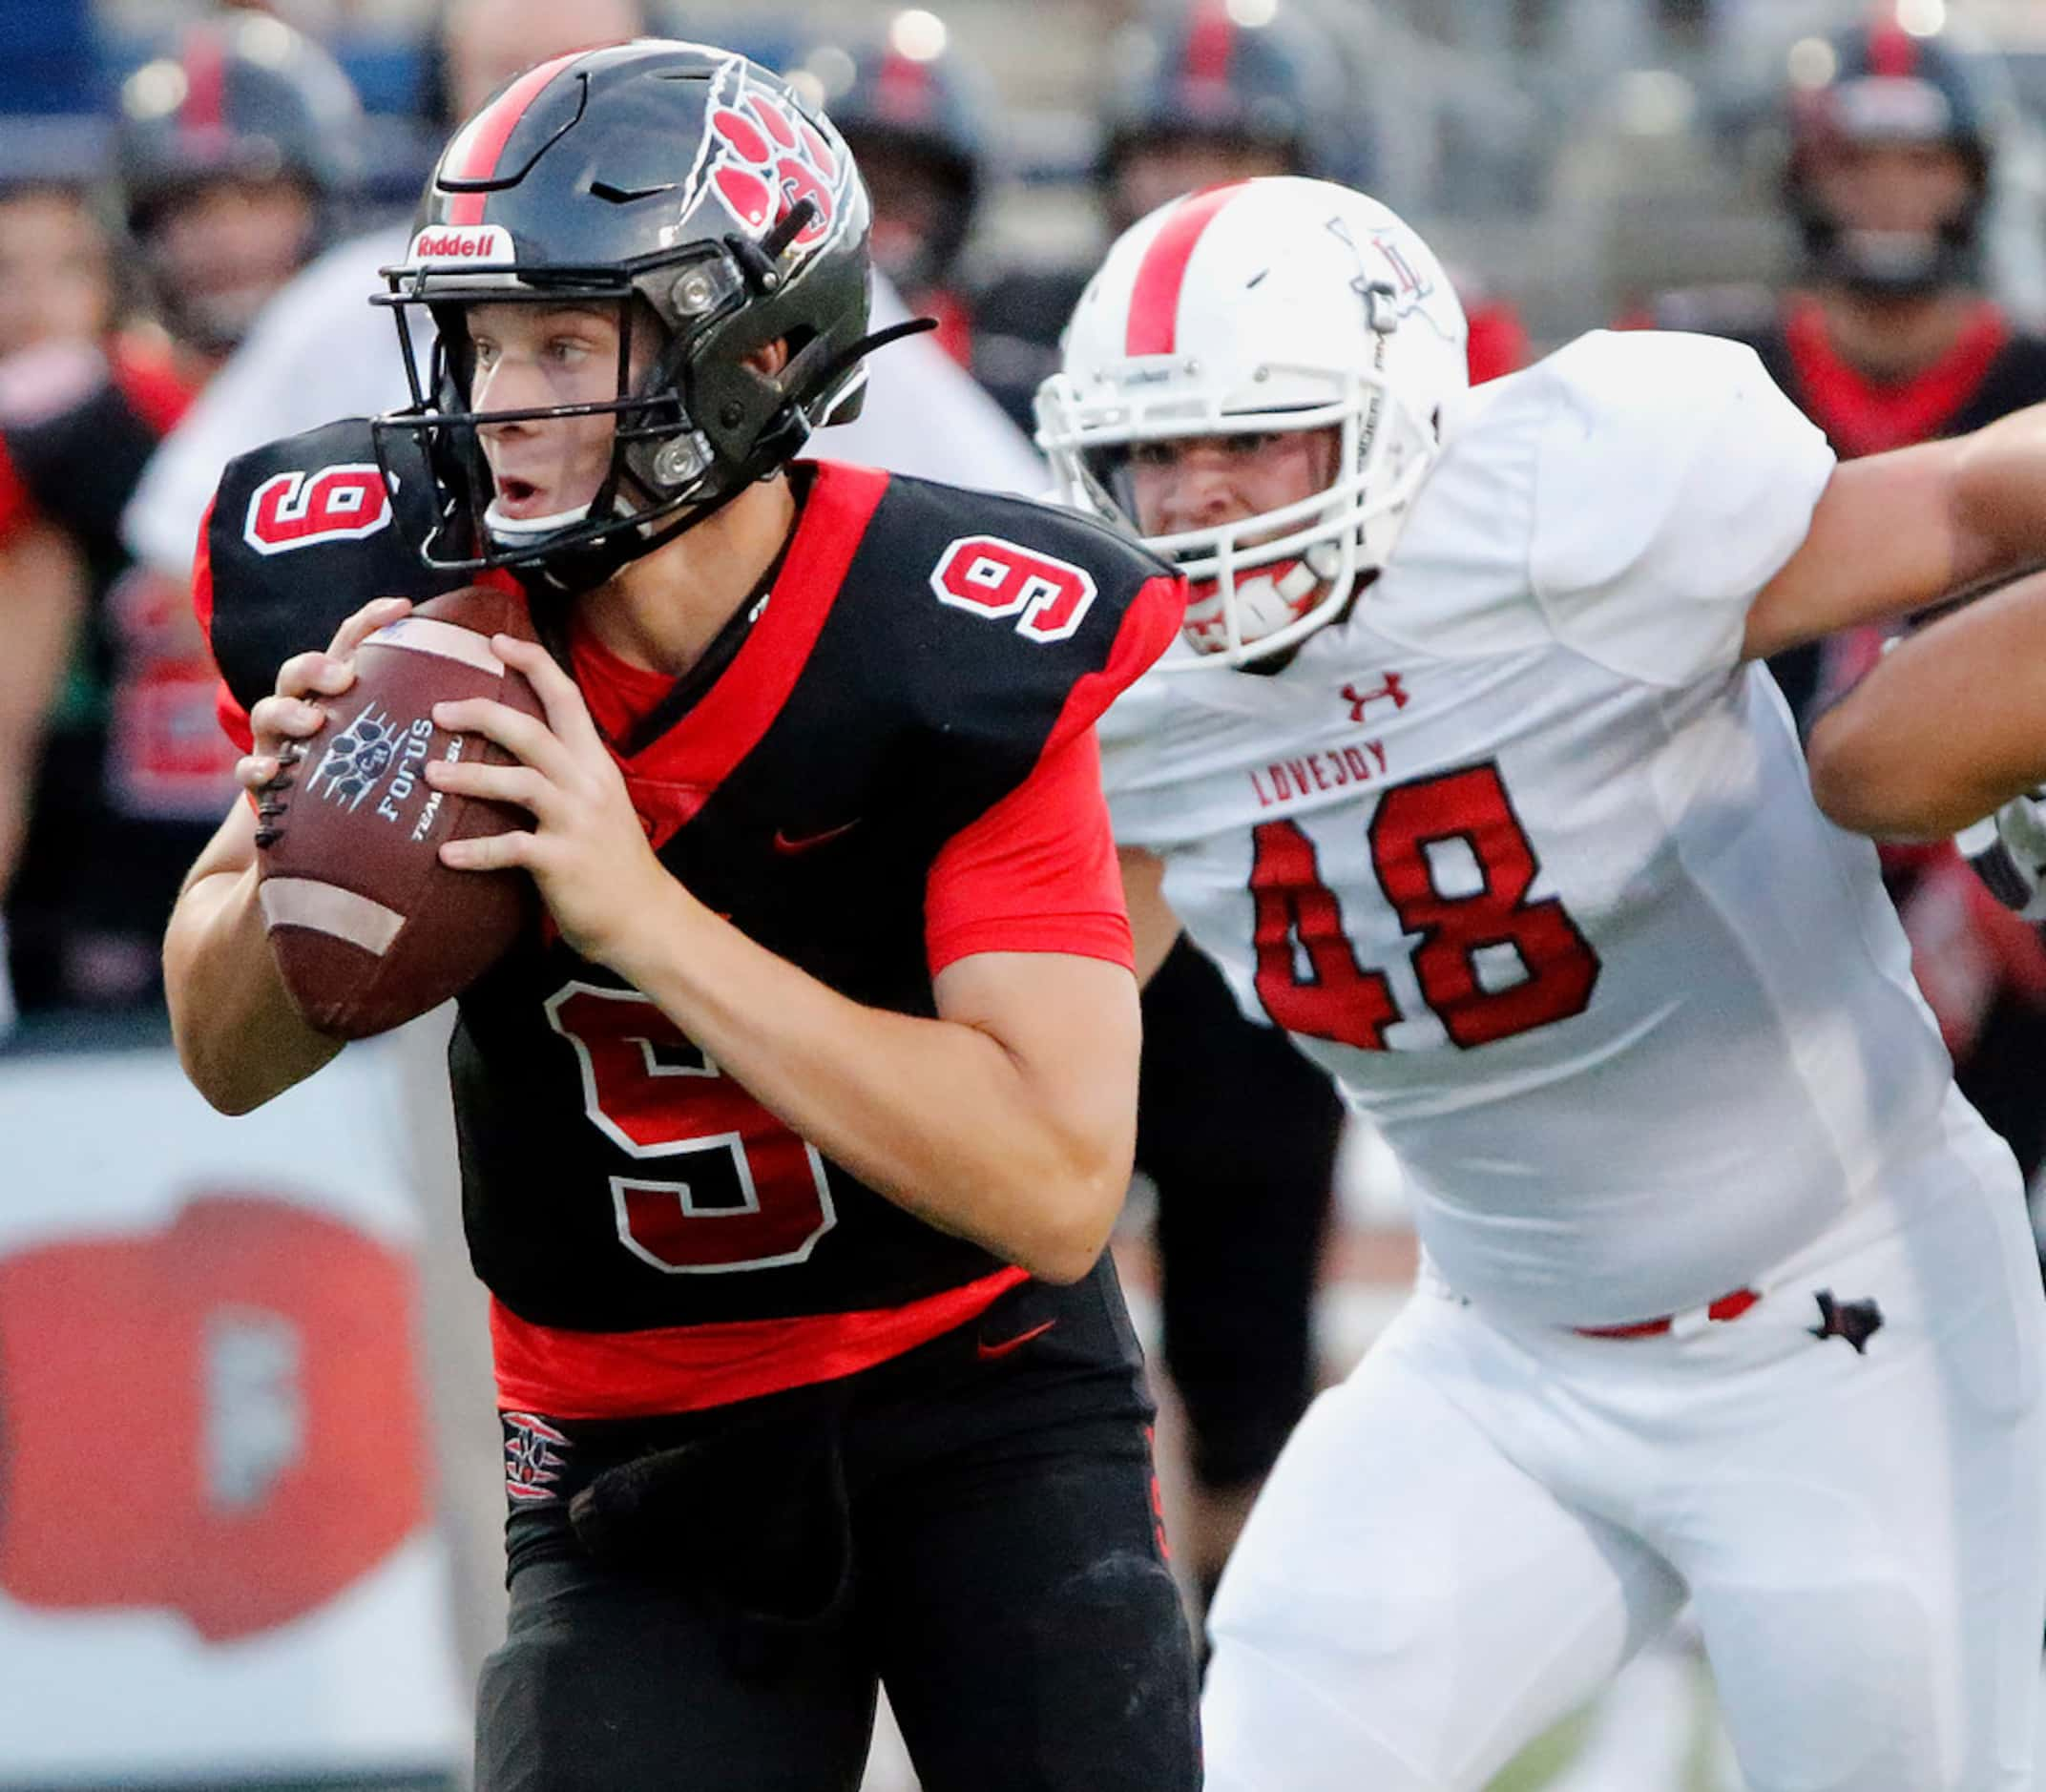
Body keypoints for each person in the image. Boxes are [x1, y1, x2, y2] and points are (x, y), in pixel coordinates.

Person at [165, 41, 1200, 1790]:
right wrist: (298, 845)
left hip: (979, 1396)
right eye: (486, 342)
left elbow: (1048, 1177)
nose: (505, 398)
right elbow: (223, 1050)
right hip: (622, 1440)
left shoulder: (948, 639)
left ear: (763, 348)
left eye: (567, 342)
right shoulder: (395, 590)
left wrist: (640, 915)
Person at [1037, 172, 2046, 1790]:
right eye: (1157, 449)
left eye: (1255, 436)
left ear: (1393, 417)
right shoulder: (1132, 701)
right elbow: (1036, 1057)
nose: (1202, 499)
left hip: (1843, 1316)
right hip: (1499, 1352)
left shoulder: (1566, 521)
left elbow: (1958, 508)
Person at [120, 0, 1044, 595]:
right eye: (502, 76)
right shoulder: (344, 301)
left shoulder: (777, 277)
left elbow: (1008, 534)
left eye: (577, 67)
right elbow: (192, 550)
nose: (539, 106)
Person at [1648, 9, 2046, 1190]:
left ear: (1971, 179)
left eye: (1920, 163)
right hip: (1733, 896)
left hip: (2007, 901)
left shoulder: (2030, 386)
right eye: (1854, 162)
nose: (1886, 197)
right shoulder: (1691, 370)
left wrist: (1975, 930)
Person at [0, 13, 362, 1017]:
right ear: (138, 227)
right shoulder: (79, 423)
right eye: (190, 207)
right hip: (112, 920)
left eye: (258, 197)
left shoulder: (386, 405)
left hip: (346, 902)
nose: (227, 240)